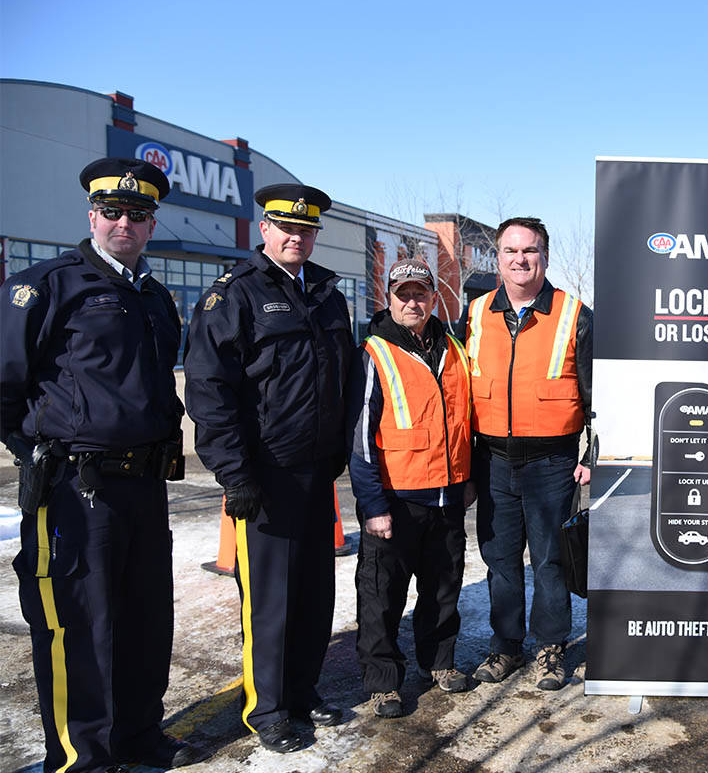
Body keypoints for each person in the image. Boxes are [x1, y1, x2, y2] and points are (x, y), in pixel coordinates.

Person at [0, 158, 205, 770]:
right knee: (78, 628)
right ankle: (82, 756)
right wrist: (31, 448)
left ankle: (140, 736)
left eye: (137, 214)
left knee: (145, 619)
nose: (124, 222)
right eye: (112, 211)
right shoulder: (47, 285)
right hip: (74, 487)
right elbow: (6, 382)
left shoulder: (155, 297)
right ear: (92, 214)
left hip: (144, 485)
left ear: (151, 224)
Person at [184, 184, 355, 753]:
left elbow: (344, 378)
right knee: (271, 598)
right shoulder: (235, 295)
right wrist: (235, 474)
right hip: (265, 474)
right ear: (264, 229)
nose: (295, 236)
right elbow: (210, 392)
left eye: (305, 229)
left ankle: (303, 691)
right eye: (285, 226)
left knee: (314, 592)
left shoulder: (329, 293)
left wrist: (338, 452)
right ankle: (269, 708)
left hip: (316, 470)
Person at [466, 216, 592, 691]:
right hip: (492, 458)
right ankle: (506, 646)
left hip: (553, 462)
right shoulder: (476, 313)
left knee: (549, 560)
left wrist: (590, 456)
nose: (520, 260)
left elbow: (595, 395)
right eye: (510, 251)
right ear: (498, 257)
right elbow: (459, 391)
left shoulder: (574, 314)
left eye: (530, 250)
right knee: (499, 559)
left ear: (545, 255)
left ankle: (550, 647)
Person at [348, 258, 474, 718]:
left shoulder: (454, 348)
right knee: (382, 596)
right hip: (395, 502)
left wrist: (468, 478)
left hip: (447, 496)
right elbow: (361, 440)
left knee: (443, 590)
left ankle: (439, 663)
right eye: (403, 294)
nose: (412, 302)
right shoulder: (375, 352)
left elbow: (466, 422)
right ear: (389, 298)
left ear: (434, 296)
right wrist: (373, 505)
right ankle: (383, 683)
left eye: (421, 293)